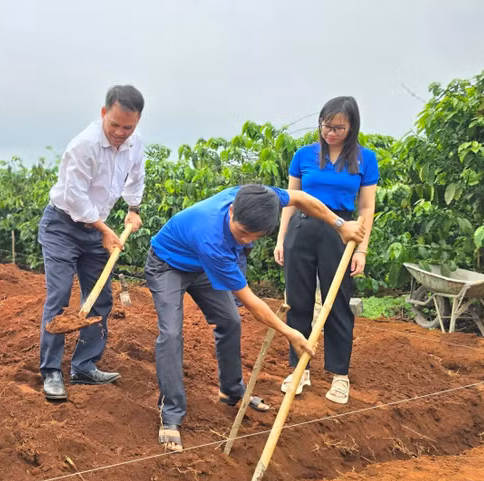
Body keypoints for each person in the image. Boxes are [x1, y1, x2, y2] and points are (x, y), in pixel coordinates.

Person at [146, 185, 365, 451]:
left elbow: (301, 198)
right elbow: (251, 302)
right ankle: (171, 413)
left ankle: (231, 390)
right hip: (168, 263)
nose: (245, 241)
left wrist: (339, 224)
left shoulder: (260, 198)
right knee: (171, 334)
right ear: (231, 210)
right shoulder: (212, 238)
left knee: (230, 321)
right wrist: (290, 332)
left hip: (201, 266)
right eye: (241, 233)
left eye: (254, 237)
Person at [39, 85, 145, 401]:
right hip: (63, 225)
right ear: (103, 113)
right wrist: (104, 229)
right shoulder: (83, 146)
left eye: (128, 127)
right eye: (114, 124)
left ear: (137, 123)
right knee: (59, 297)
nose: (120, 132)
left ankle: (84, 365)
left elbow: (136, 176)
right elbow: (75, 198)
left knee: (100, 300)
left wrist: (133, 209)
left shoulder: (134, 143)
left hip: (97, 229)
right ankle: (52, 371)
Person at [274, 96, 378, 405]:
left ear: (351, 127)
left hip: (340, 233)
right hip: (302, 229)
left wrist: (361, 249)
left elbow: (367, 206)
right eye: (325, 125)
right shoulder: (303, 155)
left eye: (338, 127)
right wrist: (281, 238)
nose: (330, 132)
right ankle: (300, 369)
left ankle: (339, 374)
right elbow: (290, 200)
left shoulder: (365, 158)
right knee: (297, 302)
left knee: (337, 302)